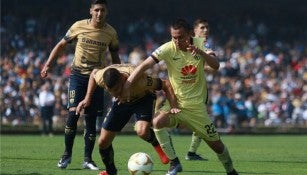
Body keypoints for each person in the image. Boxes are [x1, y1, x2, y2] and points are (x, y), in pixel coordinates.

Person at [123, 19, 238, 175]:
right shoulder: (168, 48)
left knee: (217, 146)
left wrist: (201, 53)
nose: (176, 41)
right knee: (157, 122)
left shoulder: (201, 43)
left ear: (190, 34)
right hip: (175, 103)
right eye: (173, 37)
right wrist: (128, 83)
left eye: (180, 37)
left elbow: (216, 66)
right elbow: (144, 65)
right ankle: (174, 163)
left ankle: (231, 171)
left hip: (196, 108)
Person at [40, 0, 121, 170]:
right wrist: (48, 64)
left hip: (97, 78)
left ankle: (87, 159)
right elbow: (61, 44)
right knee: (72, 116)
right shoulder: (78, 26)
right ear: (91, 11)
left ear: (107, 12)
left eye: (103, 10)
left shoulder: (111, 32)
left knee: (91, 121)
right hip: (77, 77)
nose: (99, 13)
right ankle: (66, 155)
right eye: (97, 10)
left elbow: (115, 58)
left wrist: (119, 79)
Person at [76, 64, 177, 175]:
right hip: (122, 101)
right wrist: (87, 98)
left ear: (124, 79)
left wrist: (173, 107)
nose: (114, 94)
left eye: (116, 89)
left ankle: (157, 146)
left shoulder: (141, 80)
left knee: (142, 131)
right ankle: (111, 172)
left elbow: (165, 84)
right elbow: (93, 73)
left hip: (143, 98)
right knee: (103, 142)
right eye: (110, 91)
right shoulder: (102, 78)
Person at [184, 18, 216, 161]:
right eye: (202, 28)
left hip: (198, 90)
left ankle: (191, 152)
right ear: (194, 30)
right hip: (184, 88)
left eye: (207, 27)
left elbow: (213, 69)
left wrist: (201, 66)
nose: (206, 30)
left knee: (202, 120)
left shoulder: (206, 46)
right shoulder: (186, 43)